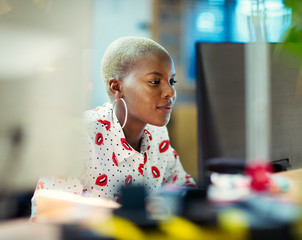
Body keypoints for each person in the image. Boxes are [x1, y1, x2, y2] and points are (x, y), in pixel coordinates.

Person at [31, 36, 196, 219]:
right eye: (155, 81)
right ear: (117, 88)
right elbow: (50, 210)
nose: (171, 92)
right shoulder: (80, 137)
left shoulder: (157, 134)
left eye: (172, 82)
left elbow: (184, 190)